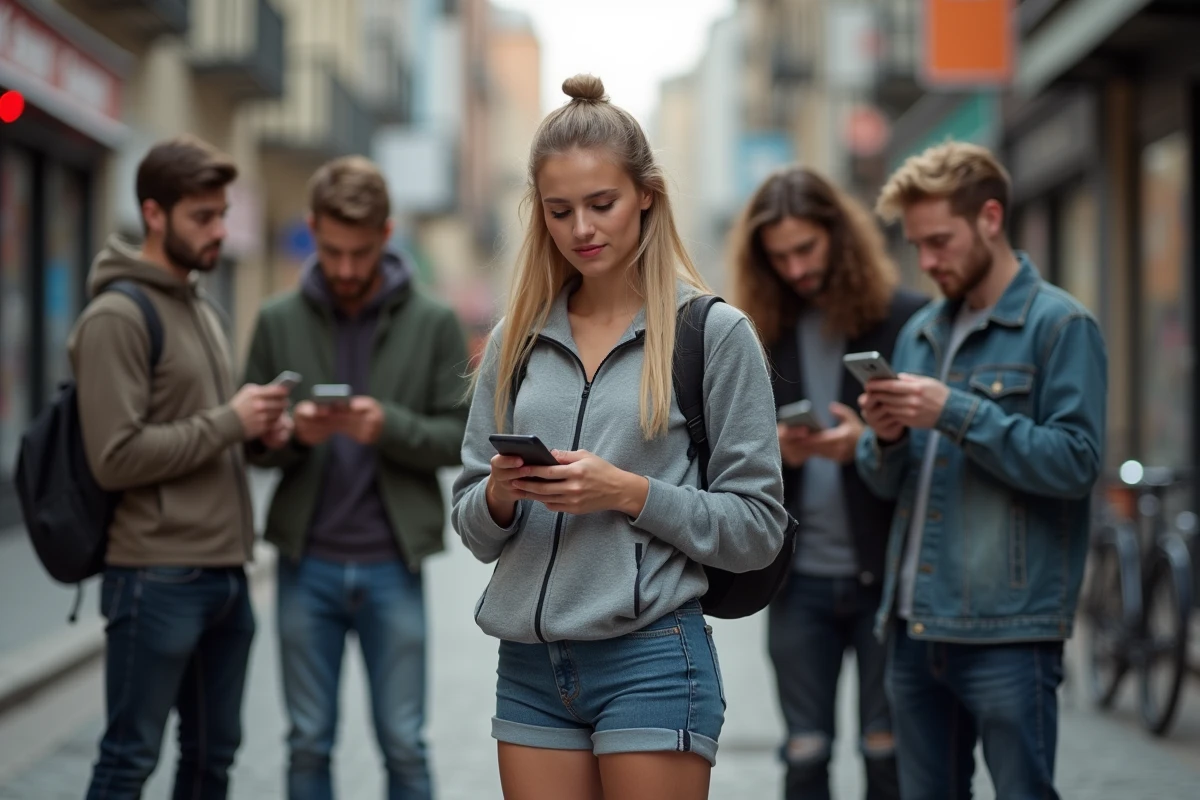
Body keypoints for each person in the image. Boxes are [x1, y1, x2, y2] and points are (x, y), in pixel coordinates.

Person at [450, 75, 789, 800]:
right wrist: (501, 493)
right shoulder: (515, 340)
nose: (582, 228)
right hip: (530, 667)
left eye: (601, 204)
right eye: (559, 211)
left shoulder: (714, 335)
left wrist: (628, 492)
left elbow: (759, 528)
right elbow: (472, 524)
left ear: (646, 196)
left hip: (653, 658)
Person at [855, 142, 1107, 800]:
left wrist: (955, 412)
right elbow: (888, 484)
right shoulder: (920, 332)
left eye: (940, 241)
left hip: (1008, 630)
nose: (926, 261)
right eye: (918, 245)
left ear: (990, 218)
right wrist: (884, 439)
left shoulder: (1061, 326)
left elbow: (1077, 463)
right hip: (913, 625)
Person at [242, 155, 470, 800]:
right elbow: (250, 446)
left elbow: (461, 439)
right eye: (332, 251)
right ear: (312, 228)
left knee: (404, 743)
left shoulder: (434, 322)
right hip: (304, 562)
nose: (345, 269)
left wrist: (387, 426)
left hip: (393, 562)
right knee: (307, 742)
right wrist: (292, 436)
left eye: (361, 253)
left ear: (387, 234)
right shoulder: (276, 320)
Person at [73, 135, 291, 799]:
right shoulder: (116, 315)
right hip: (156, 575)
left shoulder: (201, 307)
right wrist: (231, 421)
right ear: (154, 213)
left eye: (222, 214)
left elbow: (208, 431)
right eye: (203, 216)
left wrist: (261, 434)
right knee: (127, 762)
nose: (219, 230)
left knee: (211, 762)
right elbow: (114, 457)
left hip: (225, 574)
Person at [727, 166, 927, 800]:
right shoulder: (754, 334)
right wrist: (777, 451)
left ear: (839, 237)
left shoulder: (906, 321)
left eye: (806, 248)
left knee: (887, 754)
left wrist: (866, 445)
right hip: (797, 581)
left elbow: (932, 456)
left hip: (886, 577)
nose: (795, 268)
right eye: (779, 256)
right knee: (805, 754)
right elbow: (726, 461)